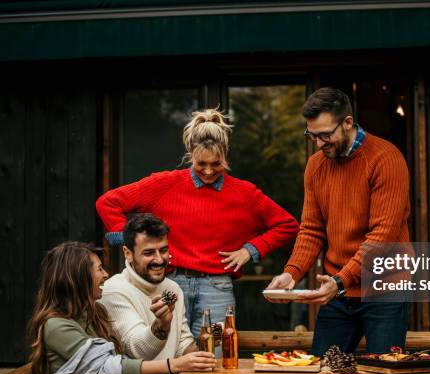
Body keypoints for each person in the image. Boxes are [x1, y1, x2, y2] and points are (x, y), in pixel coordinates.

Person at [96, 108, 299, 337]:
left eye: (216, 163)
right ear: (190, 153)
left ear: (226, 155)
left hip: (217, 288)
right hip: (170, 282)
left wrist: (249, 250)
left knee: (215, 354)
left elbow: (288, 225)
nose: (209, 171)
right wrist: (132, 243)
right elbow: (108, 202)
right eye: (201, 164)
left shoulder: (245, 193)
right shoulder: (164, 184)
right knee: (168, 349)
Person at [266, 88, 410, 374]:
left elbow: (383, 236)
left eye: (324, 135)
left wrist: (341, 280)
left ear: (347, 123)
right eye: (311, 135)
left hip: (384, 290)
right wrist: (291, 274)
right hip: (339, 292)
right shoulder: (316, 166)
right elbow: (311, 230)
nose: (318, 143)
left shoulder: (386, 158)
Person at [29, 241, 215, 374]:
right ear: (78, 278)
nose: (106, 274)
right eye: (100, 269)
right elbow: (111, 367)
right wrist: (174, 365)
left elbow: (123, 365)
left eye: (163, 250)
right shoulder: (56, 326)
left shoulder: (95, 314)